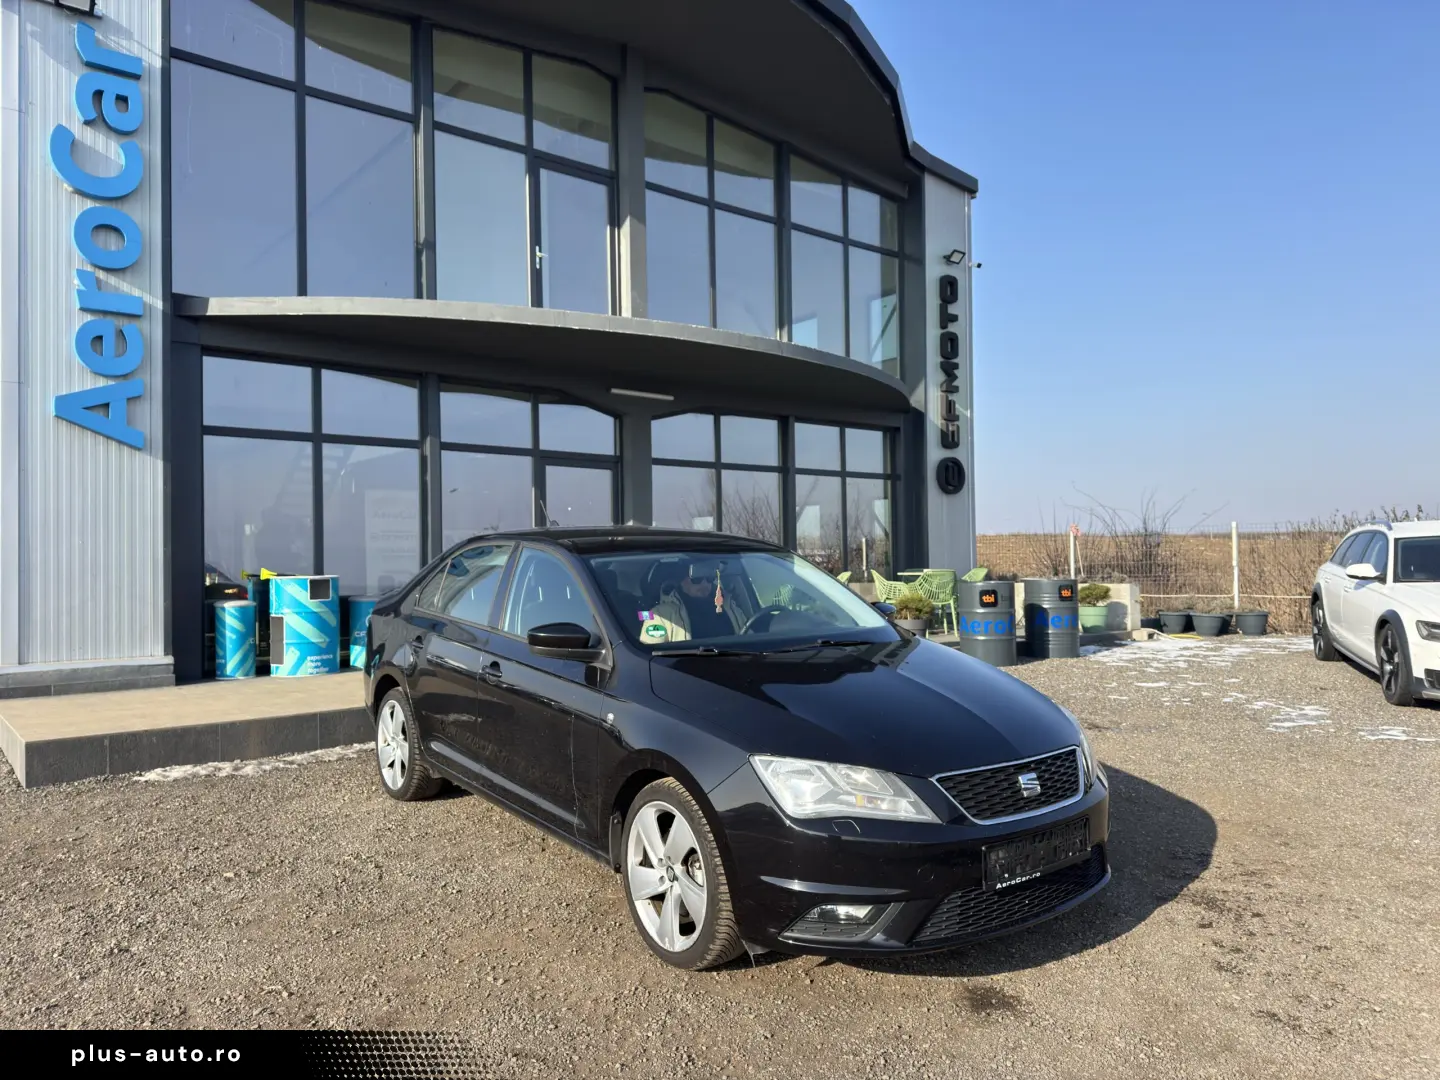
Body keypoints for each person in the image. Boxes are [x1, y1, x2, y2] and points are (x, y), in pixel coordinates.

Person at [640, 561, 755, 644]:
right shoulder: (660, 615)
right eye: (697, 579)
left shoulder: (729, 605)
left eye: (709, 578)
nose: (705, 584)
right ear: (682, 581)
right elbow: (650, 658)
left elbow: (750, 640)